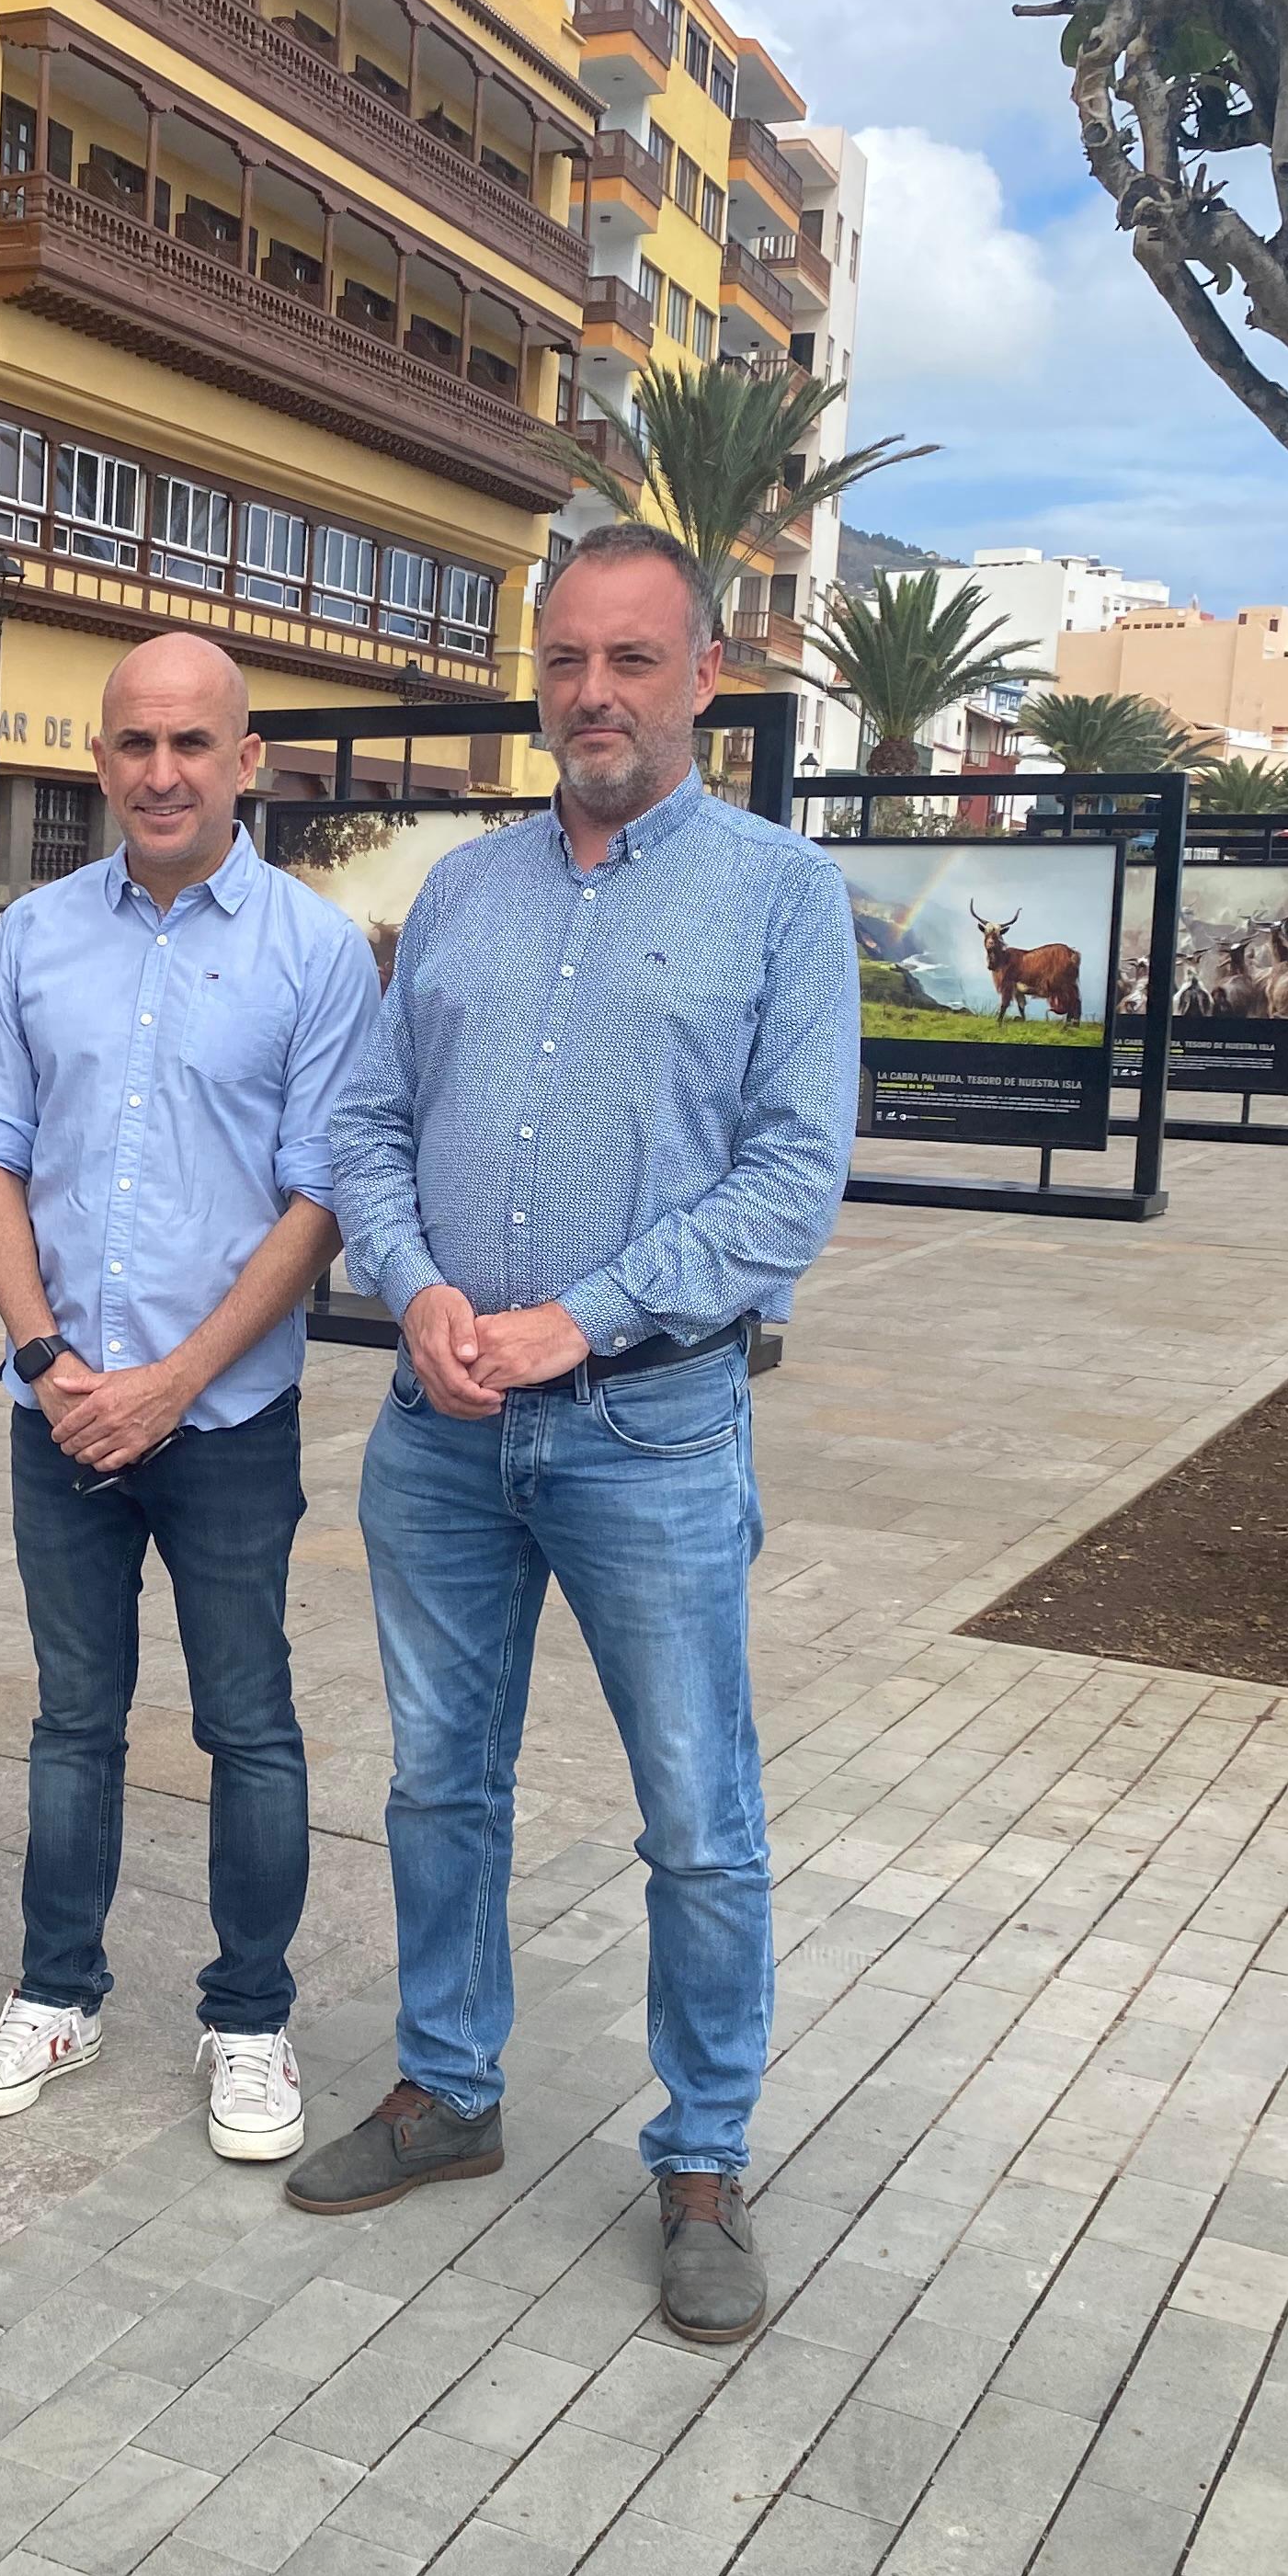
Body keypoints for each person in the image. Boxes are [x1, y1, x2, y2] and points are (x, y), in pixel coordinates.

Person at [309, 522, 859, 2349]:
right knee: (435, 1782)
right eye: (569, 663)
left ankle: (704, 2161)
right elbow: (369, 1133)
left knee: (699, 1819)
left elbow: (791, 1180)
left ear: (705, 677)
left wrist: (581, 1316)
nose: (597, 694)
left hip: (651, 1428)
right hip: (441, 1421)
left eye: (635, 660)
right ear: (536, 681)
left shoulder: (782, 897)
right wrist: (416, 1286)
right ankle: (448, 2089)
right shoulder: (465, 894)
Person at [0, 633, 376, 2165]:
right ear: (103, 759)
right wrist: (52, 1360)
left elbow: (320, 1195)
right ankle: (57, 1989)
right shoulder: (36, 937)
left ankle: (247, 2017)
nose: (162, 770)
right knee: (72, 1718)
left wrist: (175, 1381)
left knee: (247, 1722)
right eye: (135, 743)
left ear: (247, 759)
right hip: (58, 1408)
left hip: (228, 1421)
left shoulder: (316, 954)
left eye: (194, 743)